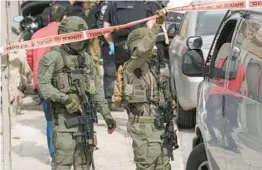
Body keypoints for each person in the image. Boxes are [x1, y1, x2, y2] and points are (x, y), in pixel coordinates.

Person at [37, 16, 116, 170]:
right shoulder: (53, 57)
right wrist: (65, 99)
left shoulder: (86, 59)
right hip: (64, 124)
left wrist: (106, 115)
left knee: (84, 165)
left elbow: (96, 89)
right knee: (63, 165)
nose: (81, 40)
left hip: (85, 123)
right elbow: (43, 85)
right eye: (77, 36)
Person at [123, 9, 172, 170]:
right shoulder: (132, 68)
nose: (154, 49)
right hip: (144, 131)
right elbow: (142, 51)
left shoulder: (155, 70)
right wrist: (157, 25)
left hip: (159, 129)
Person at [26, 3, 66, 165]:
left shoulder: (36, 36)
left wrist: (37, 73)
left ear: (49, 17)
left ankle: (54, 157)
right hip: (65, 84)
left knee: (50, 120)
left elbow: (30, 58)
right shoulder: (69, 35)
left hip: (43, 85)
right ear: (64, 18)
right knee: (67, 120)